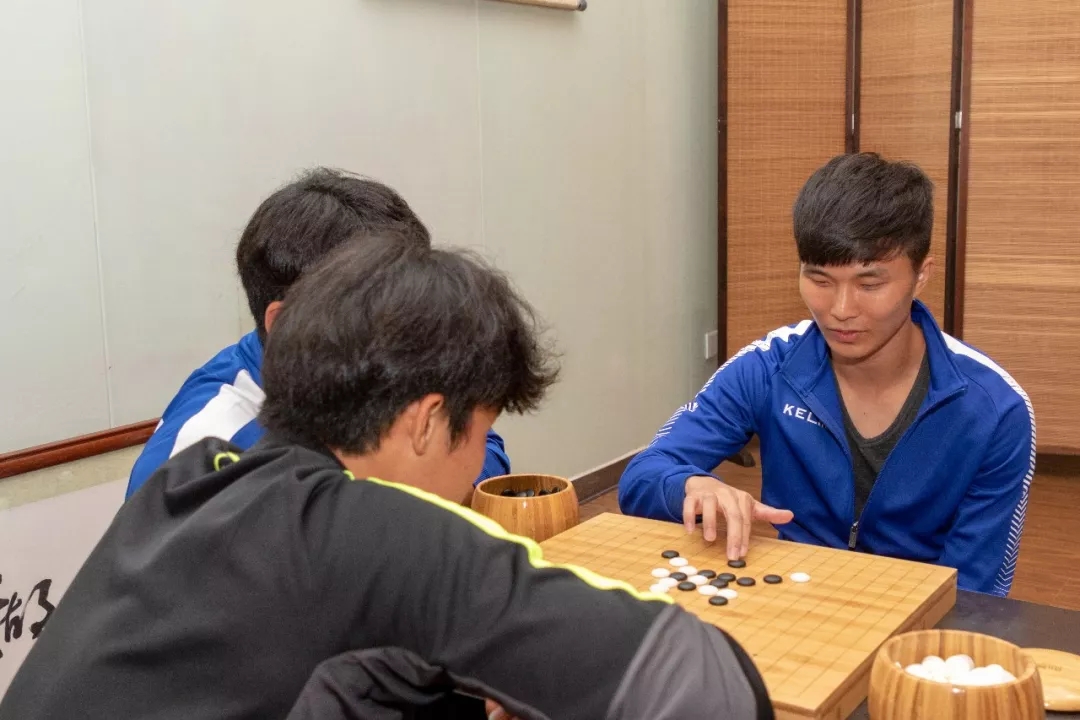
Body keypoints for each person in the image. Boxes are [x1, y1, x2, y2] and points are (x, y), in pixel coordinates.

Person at [0, 235, 773, 720]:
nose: (480, 460)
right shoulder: (378, 533)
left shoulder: (190, 484)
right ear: (427, 421)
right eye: (484, 430)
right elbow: (713, 687)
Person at [618, 152, 1034, 598]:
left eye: (869, 284)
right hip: (795, 597)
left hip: (917, 613)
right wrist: (689, 484)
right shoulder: (769, 367)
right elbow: (643, 475)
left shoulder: (993, 409)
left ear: (920, 276)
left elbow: (976, 593)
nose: (840, 310)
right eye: (819, 280)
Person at [124, 168, 511, 500]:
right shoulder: (205, 459)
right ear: (286, 325)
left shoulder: (383, 361)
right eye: (379, 311)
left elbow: (481, 449)